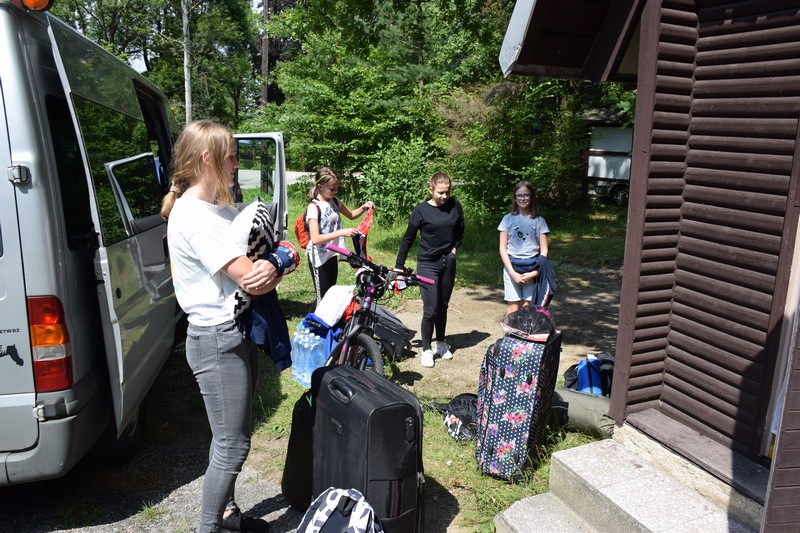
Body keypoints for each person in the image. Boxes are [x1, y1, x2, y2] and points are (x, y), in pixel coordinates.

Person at [161, 120, 275, 533]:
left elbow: (269, 254)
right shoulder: (194, 215)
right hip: (216, 340)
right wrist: (282, 260)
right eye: (230, 155)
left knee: (228, 434)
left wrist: (278, 258)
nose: (236, 162)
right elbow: (253, 276)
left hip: (234, 331)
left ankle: (227, 517)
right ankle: (208, 527)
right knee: (233, 445)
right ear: (207, 157)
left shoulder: (222, 206)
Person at [395, 172, 464, 368]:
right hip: (427, 264)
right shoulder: (421, 210)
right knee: (431, 307)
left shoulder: (455, 205)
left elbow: (460, 229)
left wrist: (454, 249)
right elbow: (408, 238)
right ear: (431, 190)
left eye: (447, 192)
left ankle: (441, 344)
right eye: (441, 192)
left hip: (448, 262)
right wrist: (399, 265)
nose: (444, 196)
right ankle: (426, 349)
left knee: (443, 305)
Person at [306, 166, 374, 307]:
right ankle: (308, 326)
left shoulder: (334, 201)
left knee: (330, 294)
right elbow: (315, 239)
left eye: (337, 188)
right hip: (318, 258)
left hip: (332, 255)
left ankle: (326, 326)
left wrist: (364, 207)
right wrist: (342, 232)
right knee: (322, 299)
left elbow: (351, 215)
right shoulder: (314, 207)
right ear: (320, 186)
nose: (335, 191)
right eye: (332, 189)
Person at [498, 180, 550, 315]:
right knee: (513, 306)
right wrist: (513, 273)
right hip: (511, 268)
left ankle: (526, 336)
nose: (523, 198)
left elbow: (544, 250)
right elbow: (502, 249)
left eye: (526, 195)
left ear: (531, 197)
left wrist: (534, 273)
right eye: (519, 195)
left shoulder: (539, 221)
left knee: (528, 307)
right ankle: (509, 335)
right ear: (515, 198)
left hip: (531, 268)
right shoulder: (507, 219)